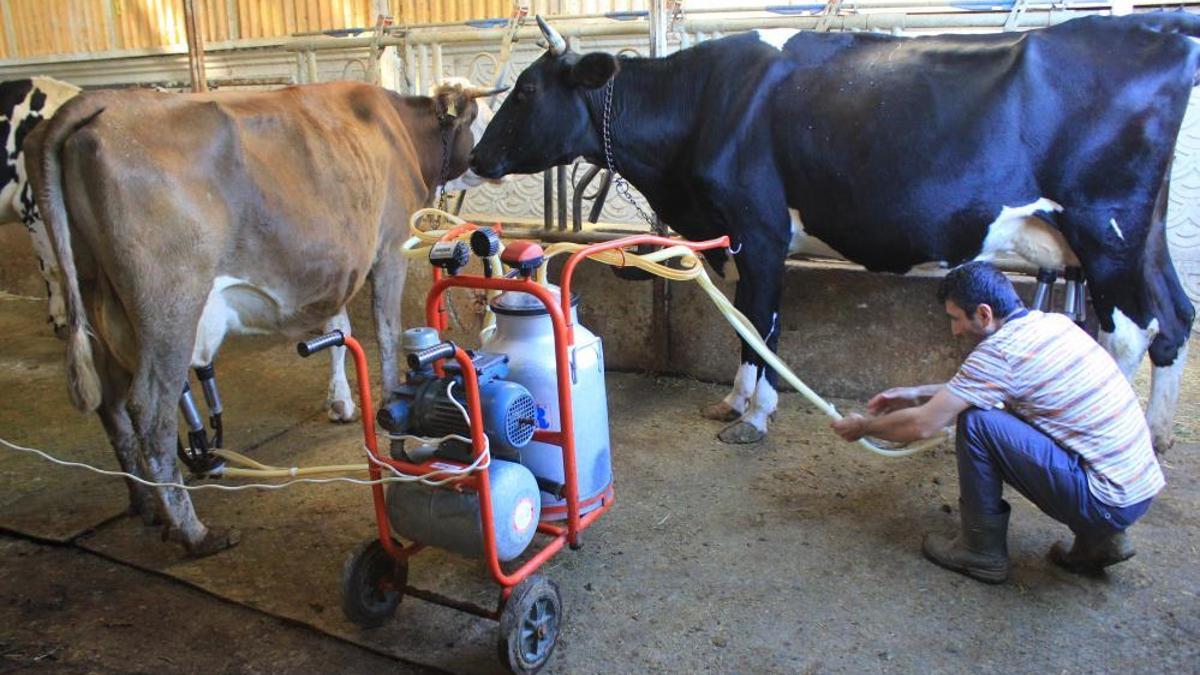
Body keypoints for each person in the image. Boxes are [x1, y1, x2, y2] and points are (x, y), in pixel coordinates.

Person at [830, 261, 1164, 584]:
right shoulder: (1051, 324)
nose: (955, 330)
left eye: (956, 318)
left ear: (985, 314)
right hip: (1135, 491)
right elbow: (979, 387)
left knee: (977, 422)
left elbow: (923, 426)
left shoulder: (1000, 352)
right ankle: (1103, 540)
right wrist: (916, 392)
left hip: (1104, 500)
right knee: (1010, 416)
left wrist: (864, 427)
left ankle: (981, 552)